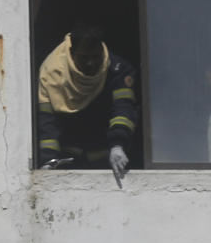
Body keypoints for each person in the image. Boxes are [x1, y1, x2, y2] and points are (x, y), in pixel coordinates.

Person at [37, 22, 138, 185]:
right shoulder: (51, 73)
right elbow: (46, 121)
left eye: (95, 57)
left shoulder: (118, 69)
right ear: (71, 53)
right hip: (68, 158)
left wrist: (118, 144)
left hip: (109, 157)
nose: (91, 63)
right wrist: (49, 161)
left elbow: (123, 108)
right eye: (84, 58)